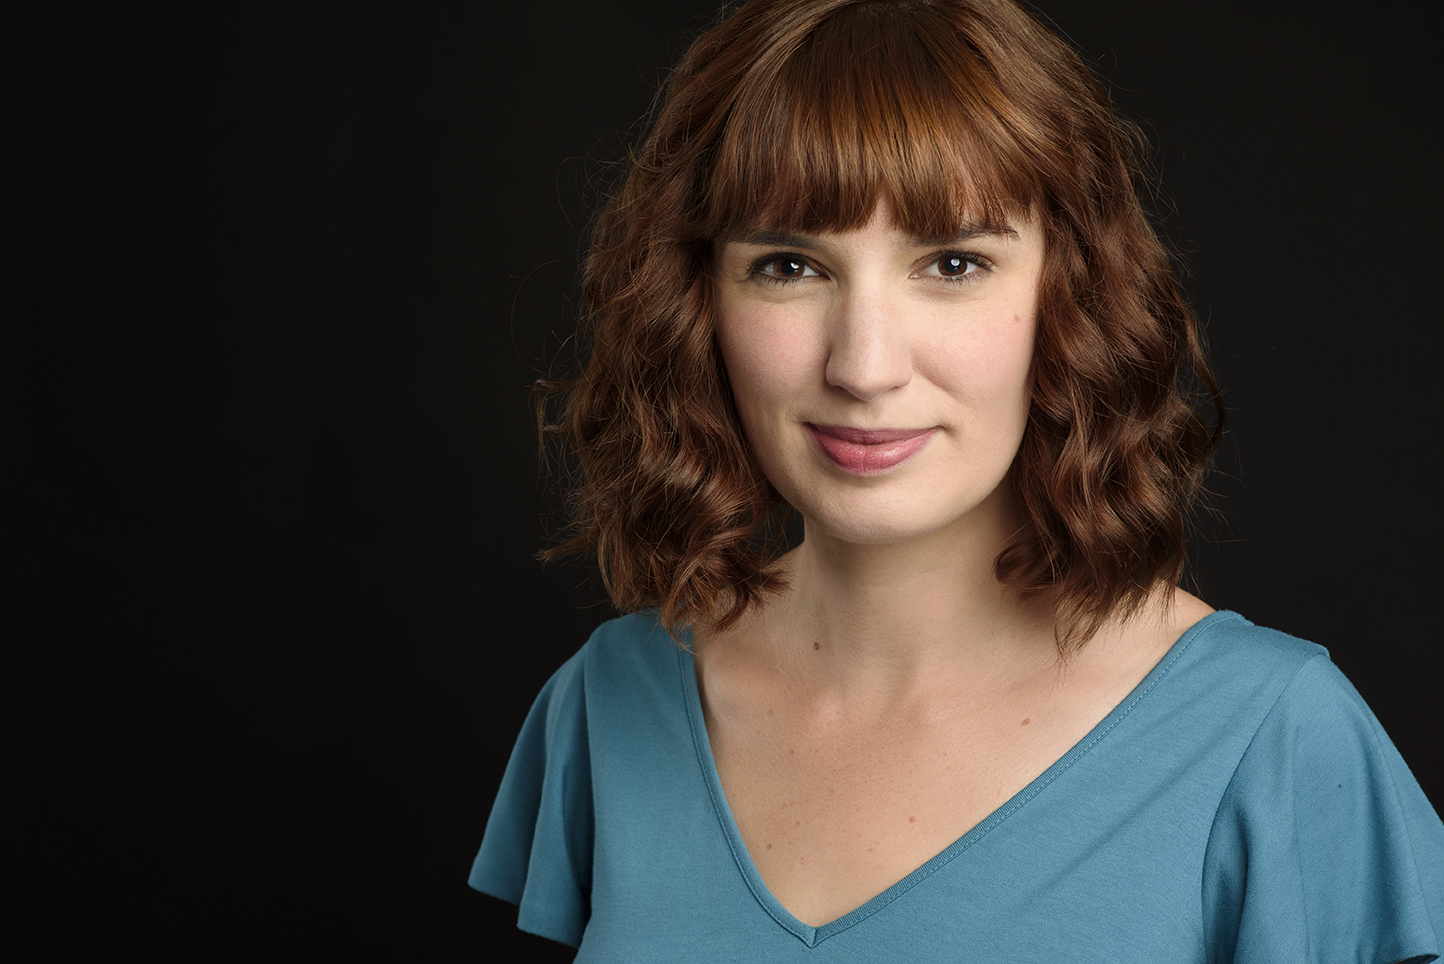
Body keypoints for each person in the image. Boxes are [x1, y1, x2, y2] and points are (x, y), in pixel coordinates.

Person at [471, 0, 1444, 959]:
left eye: (951, 262)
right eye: (789, 266)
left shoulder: (1270, 739)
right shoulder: (606, 704)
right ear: (698, 304)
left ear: (1069, 293)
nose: (864, 366)